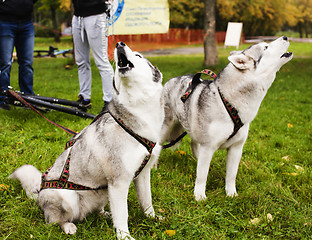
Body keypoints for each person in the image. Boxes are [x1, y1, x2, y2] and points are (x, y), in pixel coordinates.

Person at [72, 0, 114, 112]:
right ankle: (84, 98)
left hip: (96, 15)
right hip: (78, 16)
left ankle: (110, 102)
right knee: (81, 61)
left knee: (101, 61)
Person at [0, 0, 37, 110]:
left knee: (27, 62)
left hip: (27, 23)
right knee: (5, 62)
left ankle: (27, 97)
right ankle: (3, 97)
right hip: (5, 22)